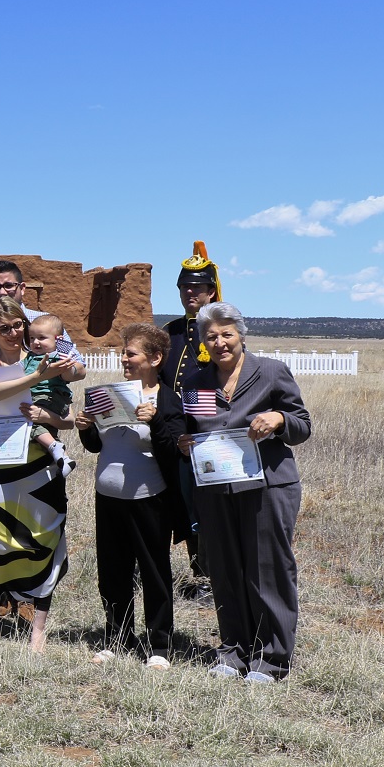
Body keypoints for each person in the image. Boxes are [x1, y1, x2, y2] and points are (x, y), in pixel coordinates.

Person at [179, 302, 312, 683]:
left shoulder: (270, 371)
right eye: (211, 336)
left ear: (241, 334)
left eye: (227, 334)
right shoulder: (197, 381)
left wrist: (279, 419)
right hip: (216, 487)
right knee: (224, 569)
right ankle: (233, 651)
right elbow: (197, 426)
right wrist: (186, 442)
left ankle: (272, 659)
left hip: (268, 485)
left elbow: (302, 425)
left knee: (267, 570)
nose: (220, 342)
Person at [75, 324, 184, 668]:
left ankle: (159, 645)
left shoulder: (167, 400)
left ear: (154, 358)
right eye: (124, 352)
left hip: (149, 497)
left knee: (153, 571)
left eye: (131, 353)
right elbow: (98, 445)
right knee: (112, 570)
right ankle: (117, 636)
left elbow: (174, 453)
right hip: (108, 496)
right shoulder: (111, 394)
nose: (123, 358)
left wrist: (154, 423)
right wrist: (87, 427)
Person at [0, 296, 74, 651]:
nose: (13, 333)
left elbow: (71, 419)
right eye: (4, 328)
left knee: (46, 536)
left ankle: (39, 628)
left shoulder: (42, 358)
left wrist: (49, 419)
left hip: (41, 462)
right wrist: (35, 375)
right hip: (0, 461)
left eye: (18, 326)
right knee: (1, 539)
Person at [161, 241, 221, 601]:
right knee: (166, 501)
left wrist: (193, 432)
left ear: (211, 291)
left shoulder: (218, 330)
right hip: (167, 430)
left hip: (203, 431)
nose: (189, 292)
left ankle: (204, 577)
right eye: (184, 286)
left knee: (201, 506)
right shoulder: (170, 332)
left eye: (197, 287)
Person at [0, 259, 86, 383]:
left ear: (22, 288)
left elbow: (79, 368)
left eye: (9, 286)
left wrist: (62, 370)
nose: (2, 292)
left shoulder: (46, 323)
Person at [22, 313, 77, 468]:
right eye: (32, 338)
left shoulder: (57, 356)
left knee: (26, 420)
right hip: (38, 397)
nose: (35, 342)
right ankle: (62, 459)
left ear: (57, 339)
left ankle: (54, 446)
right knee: (43, 427)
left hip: (51, 397)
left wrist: (63, 358)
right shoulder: (30, 356)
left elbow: (69, 374)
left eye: (42, 338)